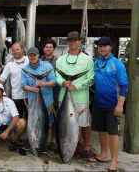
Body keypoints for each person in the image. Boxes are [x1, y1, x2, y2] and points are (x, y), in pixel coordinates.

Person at [88, 37, 128, 172]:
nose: (102, 48)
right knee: (102, 131)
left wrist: (120, 104)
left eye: (105, 46)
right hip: (98, 103)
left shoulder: (117, 64)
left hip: (113, 105)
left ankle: (114, 162)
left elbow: (124, 85)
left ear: (111, 47)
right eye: (100, 46)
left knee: (113, 133)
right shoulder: (96, 62)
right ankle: (104, 155)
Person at [55, 31, 95, 160]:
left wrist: (76, 86)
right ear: (67, 42)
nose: (72, 43)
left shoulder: (87, 59)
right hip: (63, 97)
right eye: (70, 41)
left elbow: (91, 79)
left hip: (81, 97)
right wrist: (63, 82)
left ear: (79, 42)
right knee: (63, 125)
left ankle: (86, 148)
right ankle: (65, 146)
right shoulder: (60, 60)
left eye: (75, 40)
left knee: (84, 124)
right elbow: (57, 77)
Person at [21, 47, 57, 153]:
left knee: (48, 123)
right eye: (30, 55)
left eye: (34, 55)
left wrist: (42, 83)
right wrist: (32, 88)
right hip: (33, 101)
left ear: (38, 55)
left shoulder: (47, 66)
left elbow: (54, 82)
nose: (32, 57)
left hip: (47, 101)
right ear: (28, 56)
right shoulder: (25, 69)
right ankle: (32, 142)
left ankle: (48, 143)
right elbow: (23, 85)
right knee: (33, 123)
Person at [0, 42, 29, 119]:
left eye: (17, 49)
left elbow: (40, 62)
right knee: (17, 120)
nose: (16, 52)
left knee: (30, 120)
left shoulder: (29, 59)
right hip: (16, 97)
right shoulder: (9, 64)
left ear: (22, 50)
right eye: (14, 50)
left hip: (30, 96)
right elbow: (2, 79)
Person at [41, 39, 60, 151]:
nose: (48, 49)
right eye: (46, 47)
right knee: (43, 116)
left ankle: (53, 139)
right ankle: (42, 138)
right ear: (43, 49)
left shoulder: (58, 60)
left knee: (54, 117)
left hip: (55, 91)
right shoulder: (39, 59)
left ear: (53, 49)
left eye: (50, 47)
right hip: (43, 93)